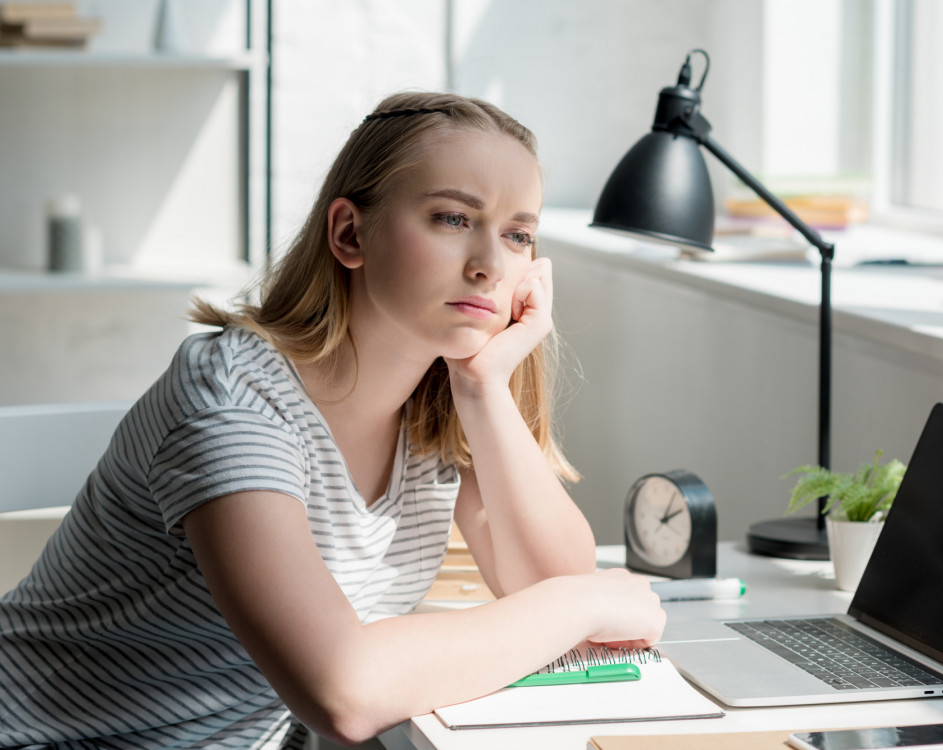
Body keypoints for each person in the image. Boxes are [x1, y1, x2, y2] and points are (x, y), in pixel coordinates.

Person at [0, 92, 666, 749]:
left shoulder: (438, 403)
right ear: (350, 234)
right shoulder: (233, 399)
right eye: (452, 218)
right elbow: (343, 693)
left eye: (518, 234)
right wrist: (584, 602)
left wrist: (484, 387)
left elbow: (552, 586)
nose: (491, 265)